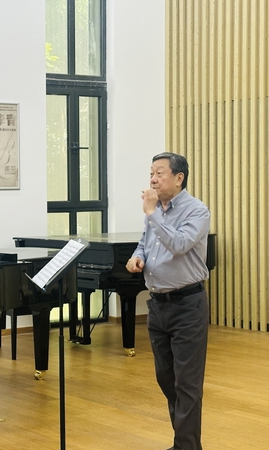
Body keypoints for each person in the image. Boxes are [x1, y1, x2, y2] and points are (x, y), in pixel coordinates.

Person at [126, 152, 210, 450]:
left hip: (188, 305)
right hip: (158, 305)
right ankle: (184, 443)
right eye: (151, 173)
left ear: (179, 178)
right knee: (166, 378)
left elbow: (179, 244)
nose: (153, 179)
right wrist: (137, 257)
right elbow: (144, 243)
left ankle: (186, 446)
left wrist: (152, 213)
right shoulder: (156, 211)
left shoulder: (196, 211)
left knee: (187, 384)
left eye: (159, 173)